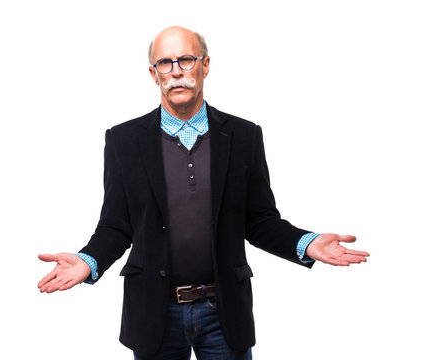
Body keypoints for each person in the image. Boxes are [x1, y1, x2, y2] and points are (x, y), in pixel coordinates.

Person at [37, 26, 369, 360]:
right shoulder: (123, 140)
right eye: (165, 63)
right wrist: (88, 260)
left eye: (186, 59)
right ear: (153, 74)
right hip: (154, 310)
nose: (176, 71)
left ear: (205, 65)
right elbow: (117, 225)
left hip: (223, 311)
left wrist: (306, 242)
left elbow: (259, 220)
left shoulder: (243, 136)